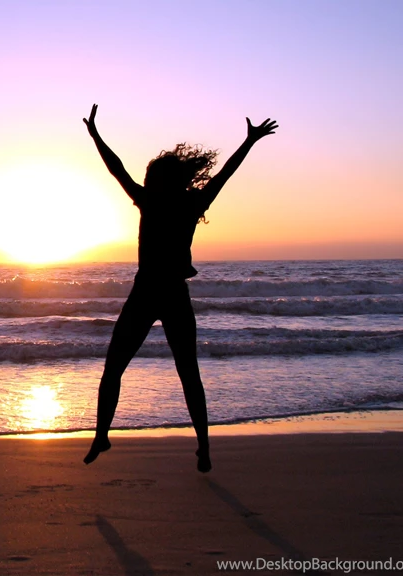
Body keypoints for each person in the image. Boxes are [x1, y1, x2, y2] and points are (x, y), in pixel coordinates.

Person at [81, 103, 278, 472]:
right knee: (187, 372)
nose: (148, 177)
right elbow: (224, 174)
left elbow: (116, 169)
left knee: (117, 369)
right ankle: (201, 447)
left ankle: (103, 434)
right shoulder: (190, 202)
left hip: (150, 293)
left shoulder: (150, 200)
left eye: (152, 173)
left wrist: (95, 135)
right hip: (171, 293)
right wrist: (248, 142)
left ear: (158, 178)